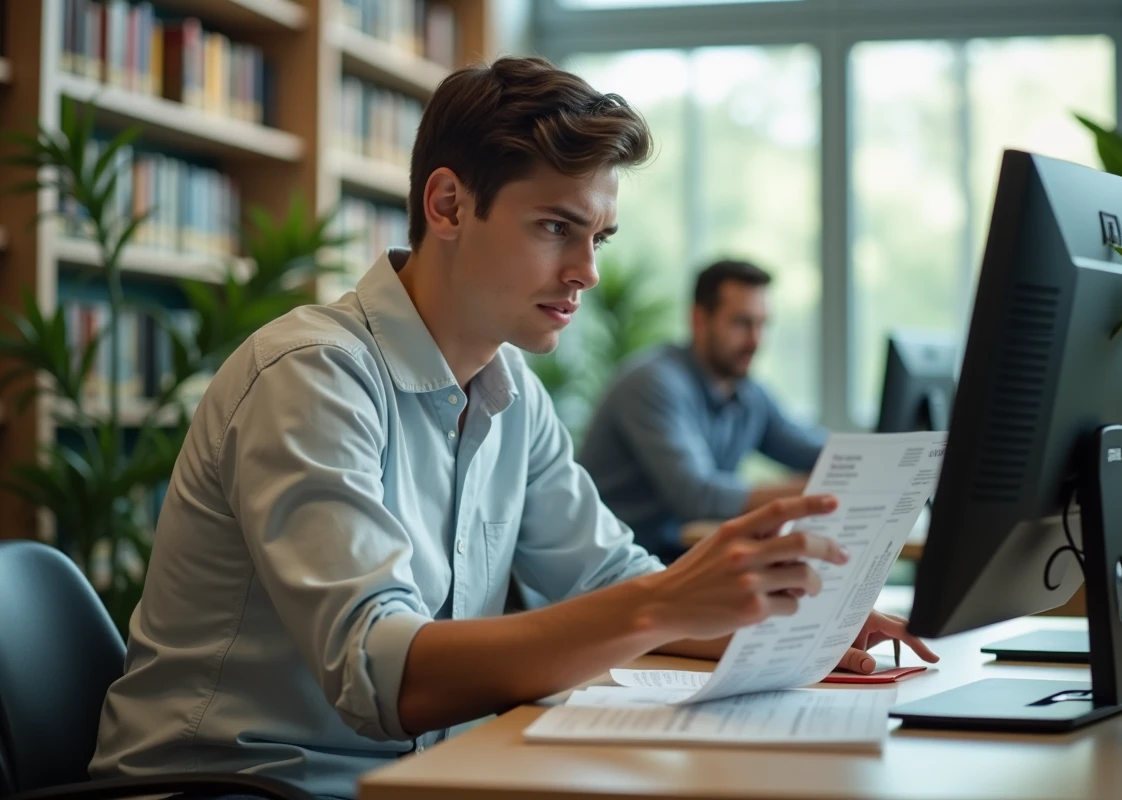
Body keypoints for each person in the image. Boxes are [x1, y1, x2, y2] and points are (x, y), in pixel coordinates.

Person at [89, 57, 935, 800]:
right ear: (449, 205)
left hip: (416, 778)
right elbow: (385, 677)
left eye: (597, 235)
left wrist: (785, 626)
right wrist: (667, 601)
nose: (588, 273)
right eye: (556, 227)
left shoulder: (510, 392)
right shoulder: (311, 375)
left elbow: (603, 573)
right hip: (243, 787)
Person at [579, 260, 828, 563]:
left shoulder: (748, 394)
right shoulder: (653, 384)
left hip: (681, 557)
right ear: (699, 319)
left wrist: (874, 457)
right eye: (741, 323)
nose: (755, 341)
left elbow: (807, 448)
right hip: (619, 564)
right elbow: (697, 495)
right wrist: (813, 491)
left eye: (762, 324)